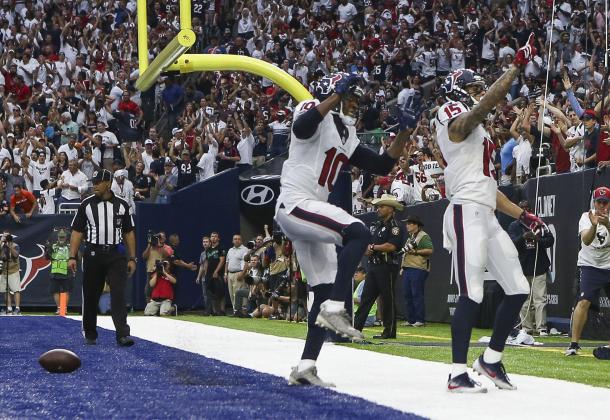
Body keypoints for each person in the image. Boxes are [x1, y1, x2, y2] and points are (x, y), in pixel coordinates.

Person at [275, 72, 412, 386]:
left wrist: (404, 134)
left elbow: (381, 166)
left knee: (322, 290)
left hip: (309, 210)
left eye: (354, 99)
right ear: (332, 93)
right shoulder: (312, 109)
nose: (353, 105)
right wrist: (335, 96)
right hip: (296, 202)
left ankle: (306, 367)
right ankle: (337, 306)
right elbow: (302, 126)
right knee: (360, 232)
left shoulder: (347, 133)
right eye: (349, 98)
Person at [435, 35, 545, 393]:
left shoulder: (480, 133)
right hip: (465, 210)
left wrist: (523, 216)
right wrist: (515, 68)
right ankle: (455, 374)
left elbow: (490, 189)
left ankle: (491, 360)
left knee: (517, 287)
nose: (480, 92)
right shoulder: (450, 114)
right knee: (472, 292)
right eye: (474, 88)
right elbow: (470, 118)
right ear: (459, 90)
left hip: (484, 210)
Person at [69, 169, 137, 347]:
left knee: (118, 294)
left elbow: (129, 233)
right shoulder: (86, 204)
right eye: (94, 182)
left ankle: (122, 334)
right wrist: (72, 256)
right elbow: (77, 231)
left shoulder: (122, 205)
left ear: (108, 183)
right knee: (91, 295)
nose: (95, 186)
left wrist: (132, 258)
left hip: (115, 254)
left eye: (98, 182)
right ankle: (90, 333)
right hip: (93, 253)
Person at [354, 194, 406, 339]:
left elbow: (391, 246)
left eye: (382, 206)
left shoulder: (395, 227)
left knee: (387, 299)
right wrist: (368, 249)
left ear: (391, 209)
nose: (378, 209)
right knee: (366, 299)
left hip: (387, 267)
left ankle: (389, 331)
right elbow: (369, 246)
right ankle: (356, 329)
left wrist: (374, 247)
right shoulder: (377, 227)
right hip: (374, 266)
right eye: (378, 206)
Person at [566, 186, 610, 356]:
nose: (602, 206)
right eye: (599, 202)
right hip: (590, 265)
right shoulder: (587, 216)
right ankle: (574, 343)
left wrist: (607, 225)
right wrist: (594, 225)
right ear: (595, 202)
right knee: (583, 302)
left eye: (605, 203)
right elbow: (586, 239)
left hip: (608, 264)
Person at [508, 200, 555, 336]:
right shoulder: (514, 226)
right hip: (521, 268)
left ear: (531, 209)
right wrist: (523, 237)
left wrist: (538, 239)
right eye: (522, 209)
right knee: (524, 300)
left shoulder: (539, 223)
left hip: (539, 267)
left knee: (540, 299)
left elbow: (550, 240)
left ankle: (541, 328)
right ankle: (527, 327)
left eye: (527, 208)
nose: (525, 211)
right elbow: (511, 244)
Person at [401, 215, 434, 327]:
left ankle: (420, 320)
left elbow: (430, 250)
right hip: (408, 268)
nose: (407, 226)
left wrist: (416, 252)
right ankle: (411, 320)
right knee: (407, 295)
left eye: (409, 223)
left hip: (418, 268)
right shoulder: (410, 237)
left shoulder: (423, 236)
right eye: (407, 223)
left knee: (416, 294)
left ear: (416, 225)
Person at [44, 229, 73, 315]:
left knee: (65, 291)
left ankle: (63, 309)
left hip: (66, 270)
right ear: (58, 237)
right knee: (56, 291)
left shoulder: (69, 246)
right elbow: (47, 257)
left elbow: (75, 257)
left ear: (65, 237)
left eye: (62, 237)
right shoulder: (53, 246)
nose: (61, 238)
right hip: (56, 270)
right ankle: (60, 308)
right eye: (60, 237)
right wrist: (47, 248)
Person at [225, 234, 249, 314]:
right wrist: (225, 273)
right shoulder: (230, 250)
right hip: (230, 274)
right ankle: (235, 311)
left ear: (241, 241)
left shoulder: (245, 249)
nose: (237, 240)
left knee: (238, 293)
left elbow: (246, 262)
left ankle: (242, 311)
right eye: (235, 239)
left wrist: (242, 274)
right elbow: (227, 262)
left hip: (238, 273)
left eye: (239, 239)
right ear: (232, 241)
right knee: (231, 294)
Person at [0, 232, 21, 315]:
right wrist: (1, 241)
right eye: (4, 236)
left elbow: (16, 255)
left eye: (7, 236)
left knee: (16, 290)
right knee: (6, 290)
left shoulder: (15, 245)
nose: (6, 238)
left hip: (13, 270)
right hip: (3, 271)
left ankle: (17, 308)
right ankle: (9, 308)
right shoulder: (1, 245)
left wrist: (10, 247)